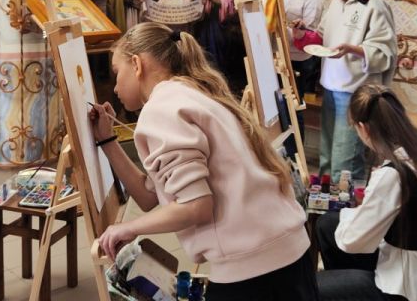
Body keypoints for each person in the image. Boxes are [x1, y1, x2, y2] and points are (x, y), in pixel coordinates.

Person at [90, 22, 317, 301]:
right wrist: (107, 141)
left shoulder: (162, 108)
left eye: (117, 72)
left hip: (256, 270)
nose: (114, 87)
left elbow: (195, 206)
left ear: (136, 64)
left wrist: (129, 228)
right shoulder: (193, 93)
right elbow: (150, 195)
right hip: (287, 254)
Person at [315, 84, 417, 301]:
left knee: (314, 287)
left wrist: (354, 212)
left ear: (363, 128)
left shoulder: (392, 175)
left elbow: (352, 241)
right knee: (328, 224)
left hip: (405, 288)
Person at [316, 0, 397, 181]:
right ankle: (325, 201)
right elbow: (322, 35)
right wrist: (303, 33)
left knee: (345, 162)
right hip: (331, 87)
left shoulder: (375, 4)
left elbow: (385, 54)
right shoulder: (337, 2)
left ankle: (347, 203)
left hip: (355, 93)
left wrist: (354, 49)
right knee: (327, 156)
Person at [278, 0, 324, 140]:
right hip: (284, 56)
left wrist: (295, 29)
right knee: (282, 107)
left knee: (294, 107)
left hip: (300, 60)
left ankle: (297, 151)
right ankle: (286, 148)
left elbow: (309, 35)